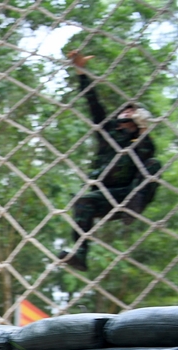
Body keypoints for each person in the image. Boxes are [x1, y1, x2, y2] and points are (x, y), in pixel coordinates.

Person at [59, 49, 160, 272]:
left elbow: (146, 155)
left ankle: (134, 206)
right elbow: (93, 104)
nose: (127, 113)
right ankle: (80, 254)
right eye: (126, 111)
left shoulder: (142, 142)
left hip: (129, 193)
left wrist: (143, 129)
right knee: (83, 201)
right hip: (108, 194)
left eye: (132, 111)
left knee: (155, 164)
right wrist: (81, 71)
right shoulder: (109, 133)